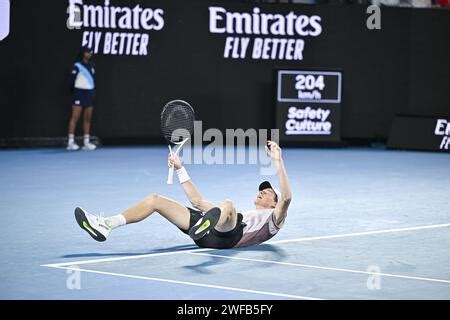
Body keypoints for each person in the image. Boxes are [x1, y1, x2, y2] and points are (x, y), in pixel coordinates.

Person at [74, 141, 292, 249]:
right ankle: (106, 224)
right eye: (262, 188)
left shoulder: (274, 220)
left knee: (228, 204)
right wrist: (180, 168)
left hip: (230, 237)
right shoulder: (239, 214)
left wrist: (277, 159)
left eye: (269, 191)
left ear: (274, 204)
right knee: (155, 200)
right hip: (210, 232)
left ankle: (207, 224)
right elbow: (196, 201)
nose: (262, 190)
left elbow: (287, 198)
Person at [66, 46, 97, 151]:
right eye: (88, 52)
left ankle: (86, 142)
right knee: (75, 117)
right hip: (79, 93)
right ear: (83, 53)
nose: (90, 54)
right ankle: (70, 142)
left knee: (87, 118)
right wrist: (74, 92)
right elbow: (71, 81)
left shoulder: (92, 65)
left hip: (89, 93)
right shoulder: (77, 66)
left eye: (90, 52)